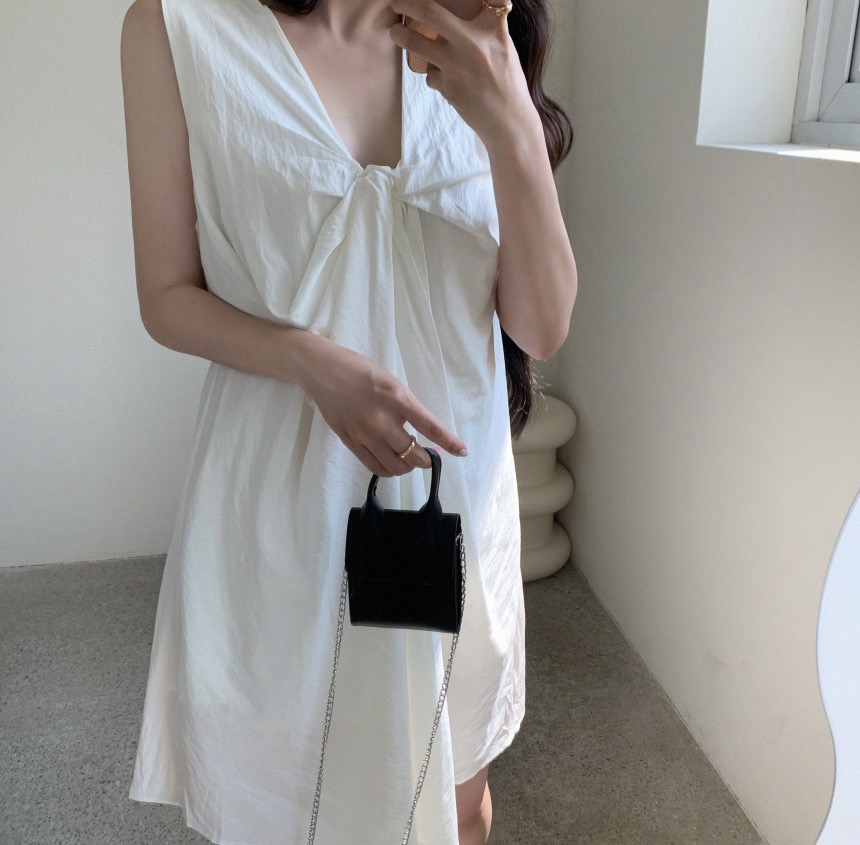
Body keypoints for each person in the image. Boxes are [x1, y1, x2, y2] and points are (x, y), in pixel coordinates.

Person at [120, 0, 576, 842]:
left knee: (454, 795)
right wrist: (307, 360)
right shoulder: (178, 28)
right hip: (279, 498)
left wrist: (511, 122)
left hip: (449, 500)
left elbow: (540, 327)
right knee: (281, 799)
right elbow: (167, 294)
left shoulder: (475, 29)